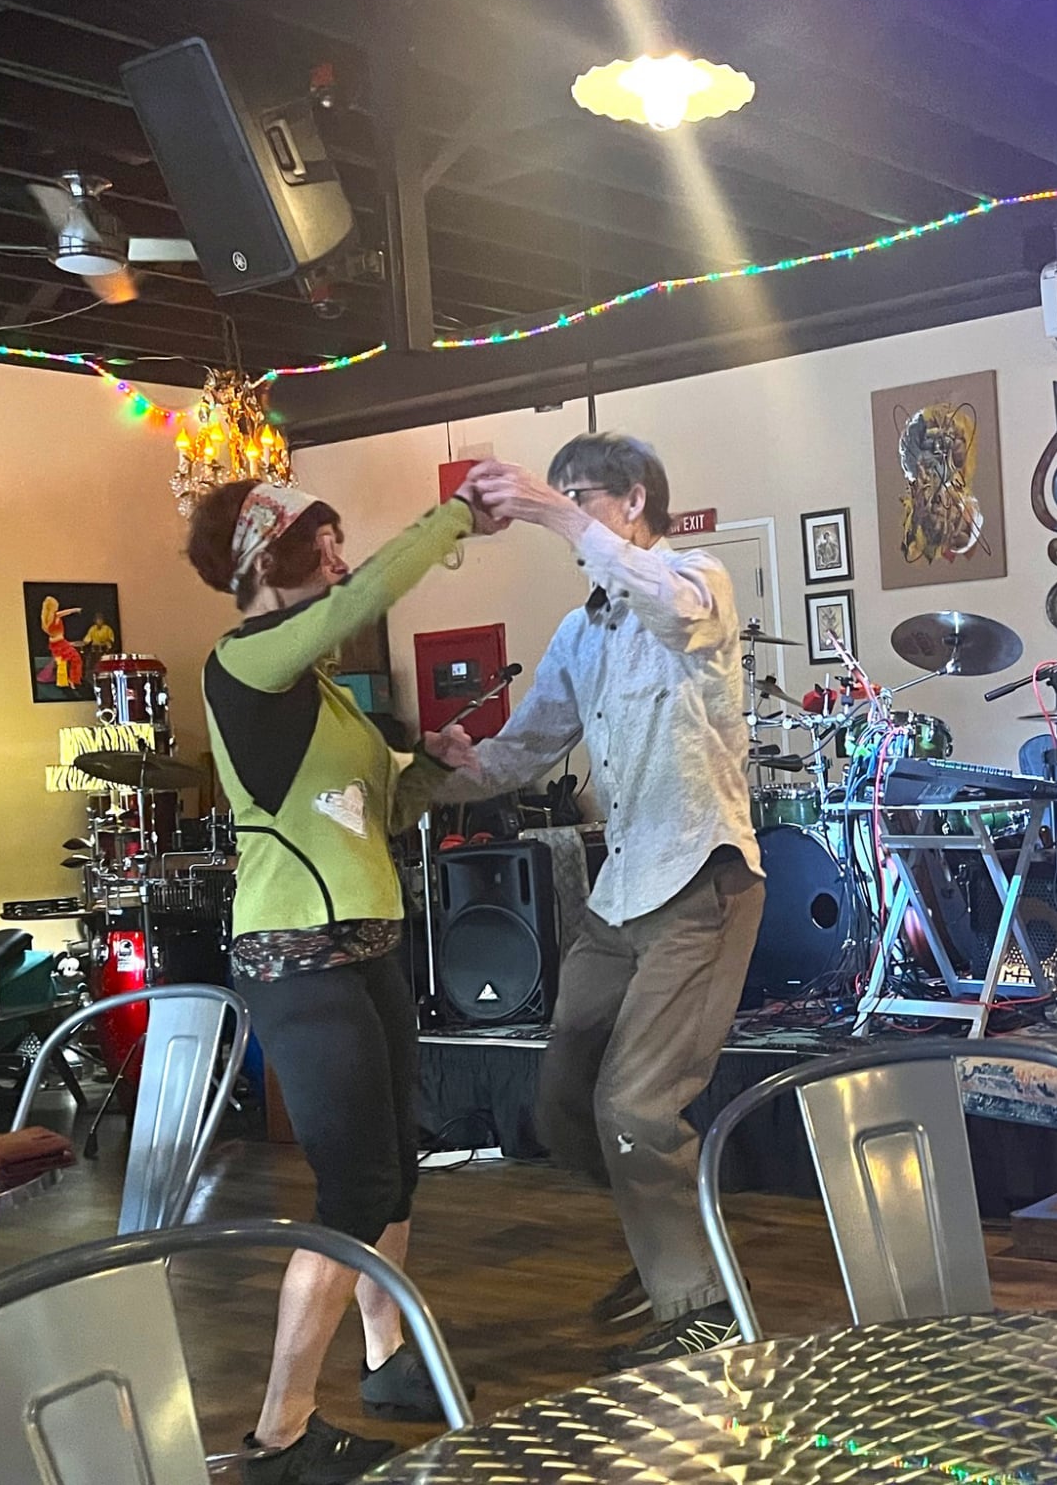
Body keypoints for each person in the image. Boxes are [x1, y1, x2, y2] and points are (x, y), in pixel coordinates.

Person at [186, 478, 492, 1483]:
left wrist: (430, 764)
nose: (338, 557)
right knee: (353, 1187)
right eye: (321, 540)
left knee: (393, 1170)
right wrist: (455, 516)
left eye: (339, 541)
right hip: (297, 956)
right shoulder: (245, 664)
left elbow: (382, 812)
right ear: (266, 558)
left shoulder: (322, 695)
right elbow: (361, 601)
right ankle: (279, 1433)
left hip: (365, 948)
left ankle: (387, 1358)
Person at [442, 435, 764, 1368]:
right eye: (565, 497)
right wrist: (441, 768)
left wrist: (549, 510)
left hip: (701, 877)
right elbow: (522, 750)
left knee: (636, 1107)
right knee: (562, 1101)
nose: (566, 511)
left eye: (582, 496)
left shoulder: (695, 579)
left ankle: (702, 1305)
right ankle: (671, 1249)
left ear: (633, 501)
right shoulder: (580, 633)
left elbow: (671, 608)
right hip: (619, 895)